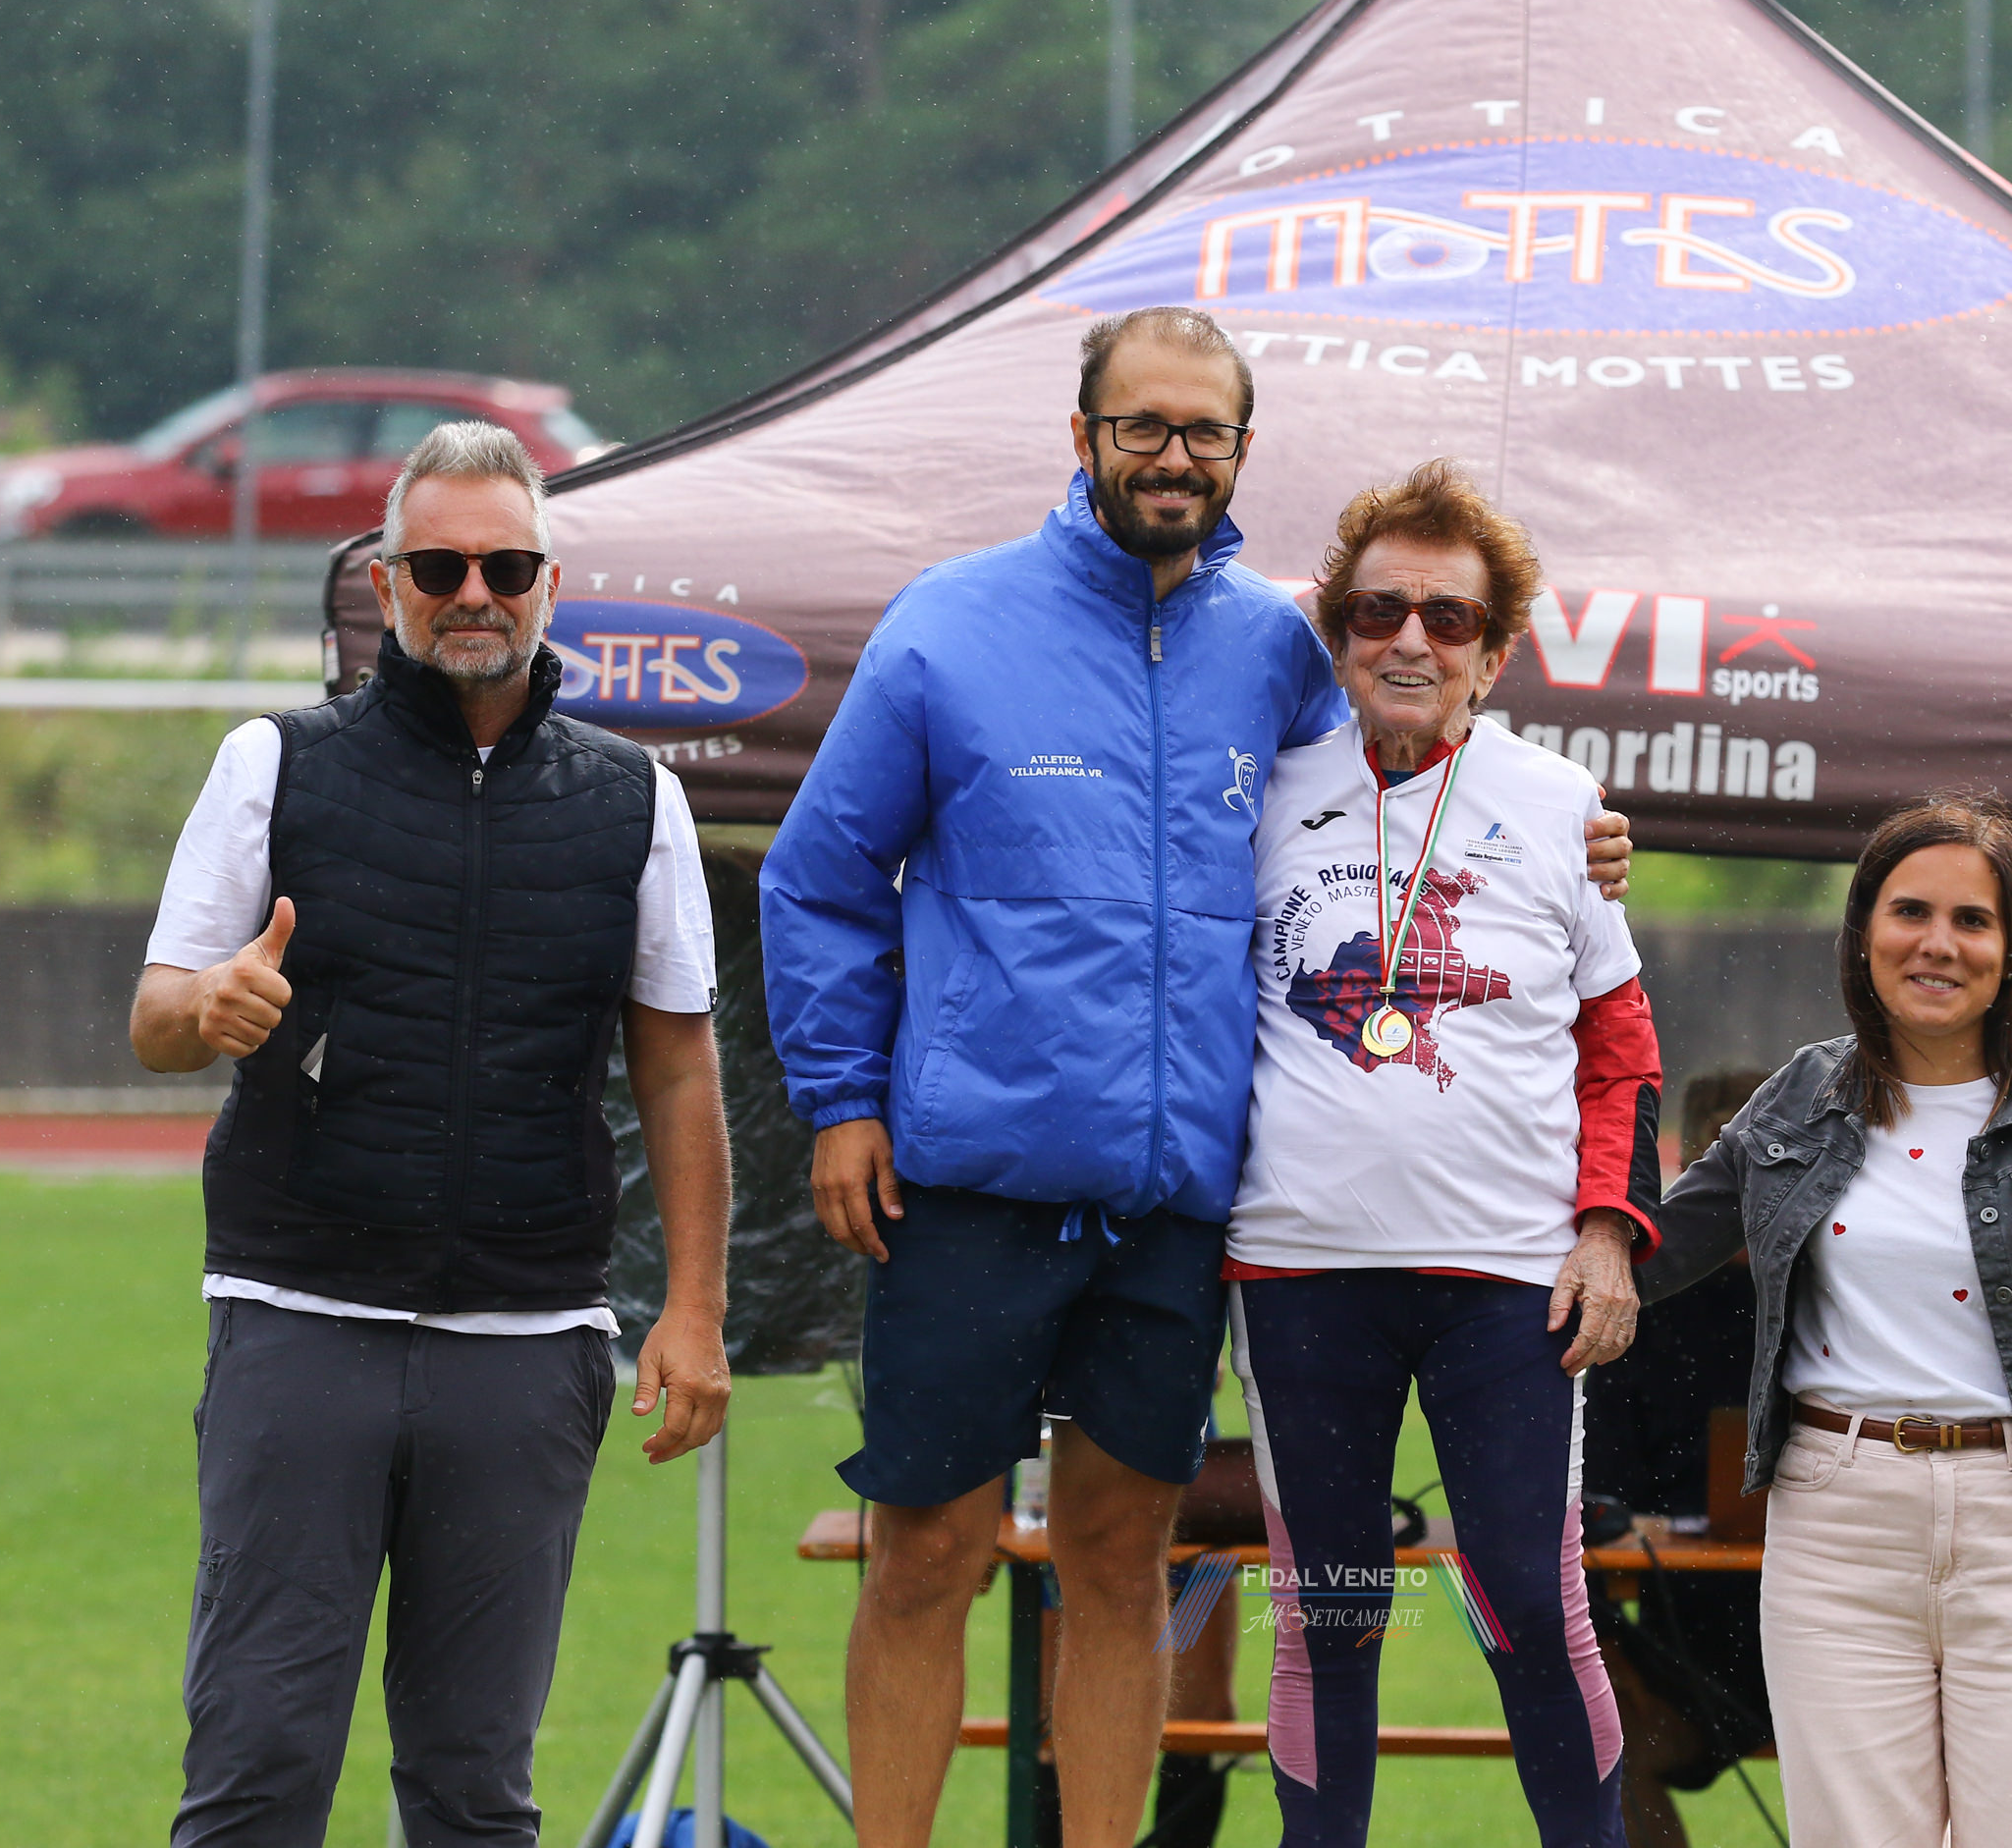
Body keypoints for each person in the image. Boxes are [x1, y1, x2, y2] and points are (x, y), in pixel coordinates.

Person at [758, 311, 1631, 1848]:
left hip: (1176, 1201)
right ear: (1083, 436)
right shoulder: (948, 626)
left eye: (1203, 432)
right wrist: (840, 1099)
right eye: (1142, 426)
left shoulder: (1277, 650)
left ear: (1241, 450)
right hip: (968, 1181)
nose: (1172, 456)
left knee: (1123, 1566)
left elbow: (1399, 779)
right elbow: (821, 879)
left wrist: (1572, 832)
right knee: (926, 1557)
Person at [132, 421, 734, 1847]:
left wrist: (698, 1307)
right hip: (299, 1317)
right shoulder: (272, 763)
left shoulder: (634, 800)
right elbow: (156, 1016)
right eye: (441, 565)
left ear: (550, 583)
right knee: (258, 1770)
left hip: (527, 1341)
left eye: (507, 566)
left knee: (474, 1790)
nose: (475, 593)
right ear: (385, 583)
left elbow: (677, 1067)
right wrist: (208, 1004)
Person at [1222, 458, 1663, 1847]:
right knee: (1331, 1610)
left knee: (1528, 1599)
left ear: (1496, 648)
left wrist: (1609, 1230)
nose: (1410, 640)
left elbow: (1622, 1046)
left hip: (1508, 1278)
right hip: (1299, 1268)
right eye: (1379, 611)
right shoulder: (1259, 790)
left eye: (1449, 617)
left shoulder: (1560, 802)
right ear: (1338, 631)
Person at [1639, 794, 2012, 1848]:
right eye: (1910, 912)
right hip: (1837, 1529)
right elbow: (1645, 1256)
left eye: (1972, 920)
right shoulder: (1796, 1099)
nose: (1938, 943)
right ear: (1863, 934)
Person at [1581, 1070, 1774, 1848]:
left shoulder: (1831, 1296)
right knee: (1601, 1735)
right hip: (1690, 1631)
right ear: (1692, 1159)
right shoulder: (1641, 1307)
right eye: (1724, 1153)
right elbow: (1600, 1489)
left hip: (1831, 1607)